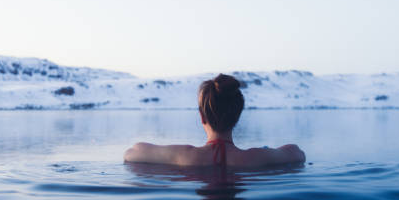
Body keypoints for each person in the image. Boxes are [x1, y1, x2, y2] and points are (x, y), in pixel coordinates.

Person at [123, 73, 306, 167]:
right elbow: (297, 153)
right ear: (238, 115)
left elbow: (131, 153)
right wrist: (267, 152)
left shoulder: (184, 156)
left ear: (202, 116)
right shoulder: (254, 158)